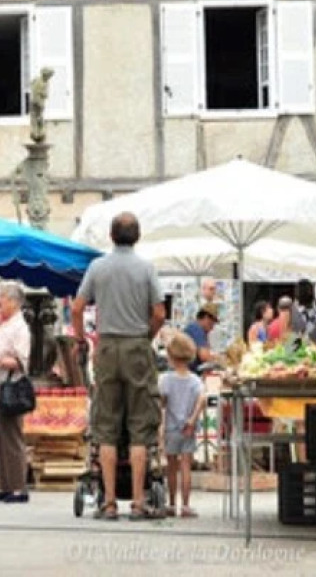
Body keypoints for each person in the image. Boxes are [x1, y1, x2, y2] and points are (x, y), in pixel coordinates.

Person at [71, 212, 166, 521]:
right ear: (136, 237)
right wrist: (146, 336)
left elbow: (76, 307)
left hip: (107, 346)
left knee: (106, 427)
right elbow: (159, 313)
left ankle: (109, 502)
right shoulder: (146, 268)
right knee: (140, 426)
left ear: (111, 237)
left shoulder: (97, 267)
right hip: (138, 345)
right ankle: (139, 502)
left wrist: (82, 339)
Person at [0, 282, 32, 504]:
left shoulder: (20, 328)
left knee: (11, 437)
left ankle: (19, 486)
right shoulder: (3, 324)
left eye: (1, 299)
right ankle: (5, 484)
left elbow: (21, 361)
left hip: (9, 387)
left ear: (13, 301)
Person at [159, 333, 207, 518]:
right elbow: (202, 399)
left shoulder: (166, 379)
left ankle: (171, 504)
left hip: (171, 428)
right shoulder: (195, 380)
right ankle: (186, 506)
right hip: (189, 428)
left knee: (172, 467)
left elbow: (162, 402)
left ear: (171, 357)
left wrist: (160, 429)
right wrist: (192, 419)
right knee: (186, 465)